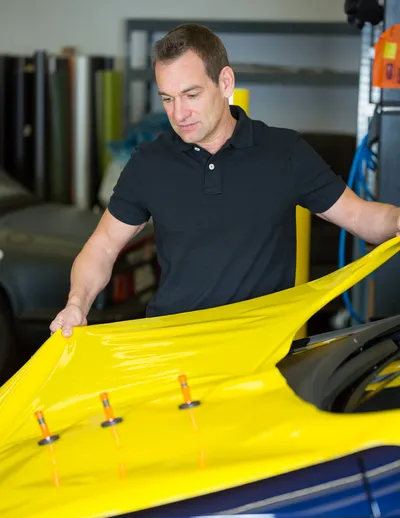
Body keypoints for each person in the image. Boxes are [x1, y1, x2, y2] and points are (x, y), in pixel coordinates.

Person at [50, 23, 400, 338]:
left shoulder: (283, 152)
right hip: (174, 349)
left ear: (225, 83)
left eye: (191, 95)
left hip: (262, 352)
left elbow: (361, 217)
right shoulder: (150, 162)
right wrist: (77, 304)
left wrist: (397, 219)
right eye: (167, 99)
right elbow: (103, 246)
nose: (178, 113)